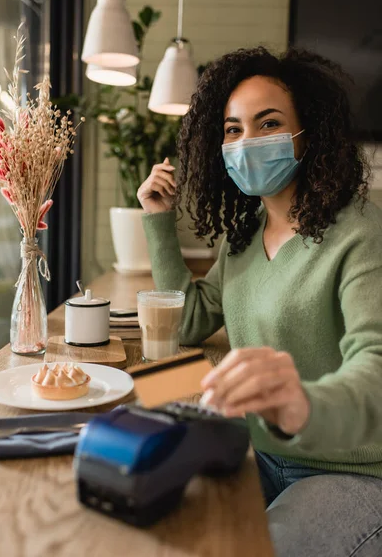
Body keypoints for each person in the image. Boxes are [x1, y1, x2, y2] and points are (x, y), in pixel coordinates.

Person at [137, 47, 382, 557]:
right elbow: (189, 320)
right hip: (261, 456)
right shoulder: (244, 237)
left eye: (268, 123)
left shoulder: (362, 234)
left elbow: (376, 370)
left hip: (352, 472)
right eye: (232, 129)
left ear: (307, 134)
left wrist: (302, 404)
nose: (247, 142)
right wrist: (160, 220)